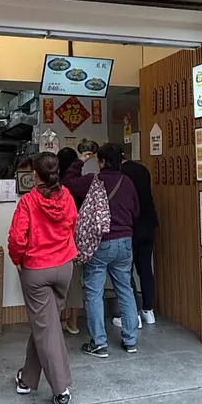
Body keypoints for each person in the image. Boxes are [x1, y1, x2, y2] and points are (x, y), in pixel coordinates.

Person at [8, 152, 78, 404]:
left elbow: (17, 239)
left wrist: (17, 259)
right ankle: (27, 379)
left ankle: (61, 391)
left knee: (46, 327)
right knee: (46, 325)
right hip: (64, 267)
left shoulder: (28, 201)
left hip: (37, 270)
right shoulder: (67, 196)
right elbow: (72, 223)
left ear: (35, 174)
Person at [64, 143, 140, 358]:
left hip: (100, 242)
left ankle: (99, 343)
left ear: (102, 161)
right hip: (125, 242)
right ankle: (131, 340)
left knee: (94, 291)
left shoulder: (94, 181)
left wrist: (80, 161)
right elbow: (136, 211)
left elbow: (67, 183)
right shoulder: (128, 182)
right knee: (125, 289)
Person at [112, 150, 159, 327]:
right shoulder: (143, 169)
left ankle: (133, 315)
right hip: (148, 224)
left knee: (125, 270)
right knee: (145, 268)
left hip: (130, 226)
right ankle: (148, 310)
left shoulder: (119, 174)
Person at [57, 147, 83, 335]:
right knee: (75, 280)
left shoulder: (56, 186)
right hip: (78, 236)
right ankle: (73, 322)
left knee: (55, 281)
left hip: (58, 237)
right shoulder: (80, 183)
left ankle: (55, 321)